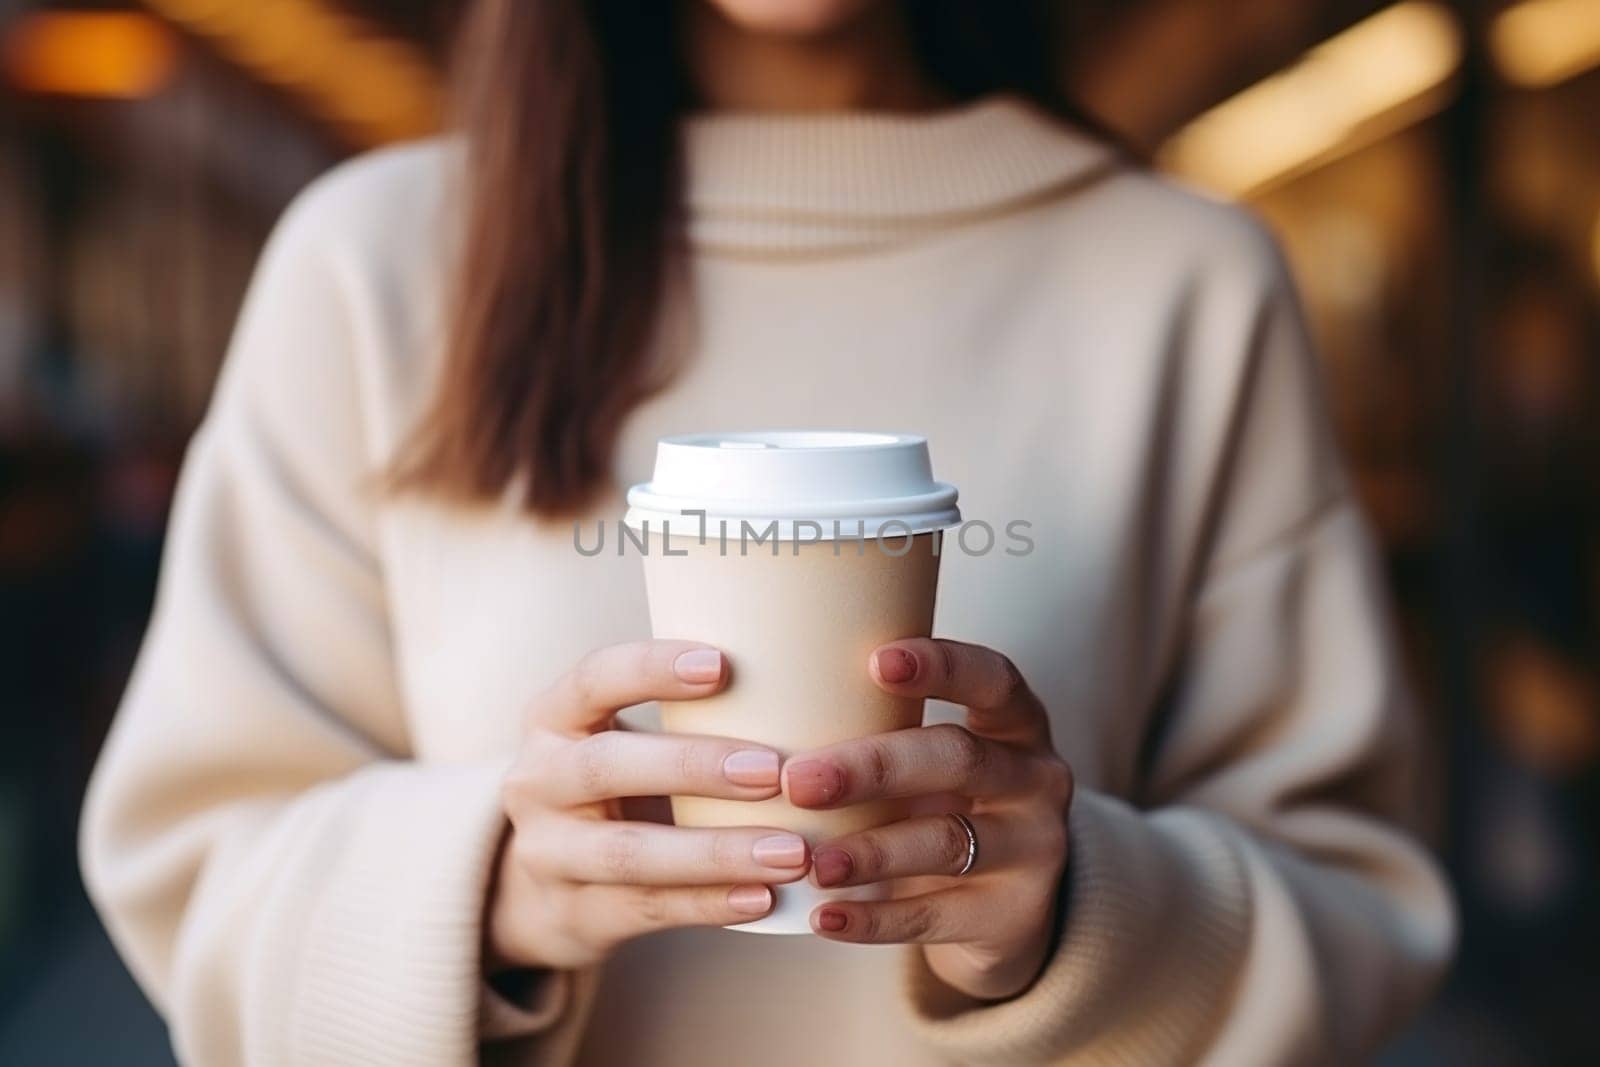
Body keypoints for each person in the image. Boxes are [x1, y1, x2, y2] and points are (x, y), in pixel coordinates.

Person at [78, 1, 1456, 1064]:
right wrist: (490, 890)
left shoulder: (1187, 284)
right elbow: (192, 870)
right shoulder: (373, 264)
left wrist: (1074, 914)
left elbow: (1360, 902)